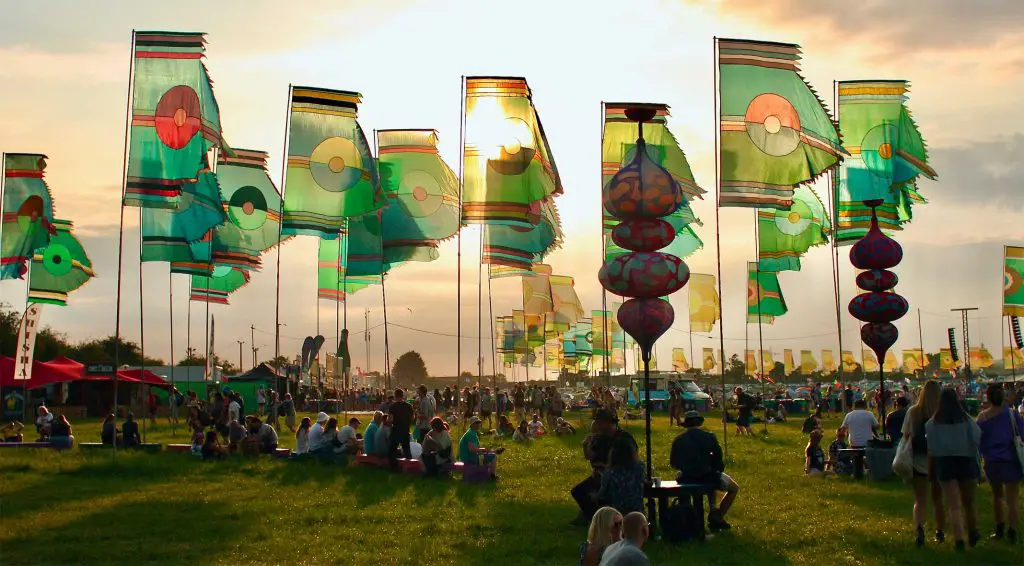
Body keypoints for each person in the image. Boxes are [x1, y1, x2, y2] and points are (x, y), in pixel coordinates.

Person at [926, 387, 982, 551]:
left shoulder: (933, 423)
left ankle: (959, 540)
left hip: (944, 463)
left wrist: (931, 470)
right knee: (969, 501)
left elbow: (931, 449)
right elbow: (977, 439)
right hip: (966, 461)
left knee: (953, 504)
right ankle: (972, 531)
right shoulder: (966, 419)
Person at [571, 409, 639, 526]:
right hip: (603, 476)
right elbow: (590, 456)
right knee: (578, 491)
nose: (596, 425)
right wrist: (585, 445)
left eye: (599, 422)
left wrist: (604, 469)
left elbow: (629, 461)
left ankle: (598, 518)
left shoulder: (624, 439)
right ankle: (592, 517)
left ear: (607, 423)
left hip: (621, 478)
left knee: (600, 493)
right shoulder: (601, 438)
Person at [670, 411, 736, 531]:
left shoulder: (678, 440)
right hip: (708, 475)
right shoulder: (709, 437)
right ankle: (716, 514)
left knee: (681, 481)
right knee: (734, 488)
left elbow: (673, 463)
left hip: (687, 477)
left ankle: (688, 515)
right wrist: (715, 470)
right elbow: (718, 461)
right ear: (700, 423)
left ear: (687, 424)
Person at [976, 383, 1023, 543]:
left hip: (992, 461)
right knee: (1012, 498)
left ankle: (999, 528)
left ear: (987, 398)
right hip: (1011, 459)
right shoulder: (1011, 414)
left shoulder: (982, 418)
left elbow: (978, 441)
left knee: (997, 496)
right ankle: (1013, 531)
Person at [901, 380, 945, 546]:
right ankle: (940, 532)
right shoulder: (942, 413)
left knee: (919, 499)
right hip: (938, 459)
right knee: (938, 499)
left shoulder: (913, 412)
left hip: (919, 460)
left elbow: (906, 434)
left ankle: (919, 528)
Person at [597, 430, 645, 515]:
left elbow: (602, 494)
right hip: (638, 511)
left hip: (618, 513)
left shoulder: (610, 472)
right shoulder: (640, 467)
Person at [388, 388, 414, 470]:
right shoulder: (409, 406)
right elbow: (413, 418)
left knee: (392, 449)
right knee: (406, 449)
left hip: (396, 429)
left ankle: (394, 467)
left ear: (395, 396)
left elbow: (390, 419)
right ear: (403, 396)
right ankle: (410, 466)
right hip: (405, 429)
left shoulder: (392, 407)